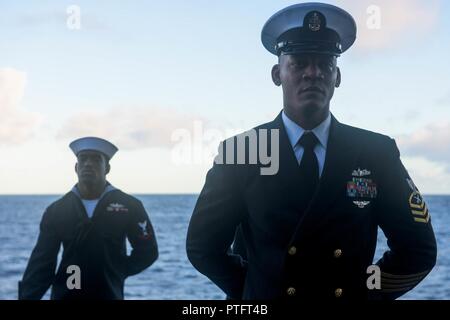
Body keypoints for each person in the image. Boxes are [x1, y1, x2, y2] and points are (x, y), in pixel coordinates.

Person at [186, 3, 437, 300]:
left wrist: (365, 293)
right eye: (300, 62)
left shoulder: (375, 152)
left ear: (337, 77)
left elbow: (417, 249)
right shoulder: (243, 151)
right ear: (277, 74)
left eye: (324, 64)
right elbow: (203, 247)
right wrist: (255, 293)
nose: (313, 73)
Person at [19, 137, 158, 299]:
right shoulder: (57, 210)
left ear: (107, 168)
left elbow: (148, 252)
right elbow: (42, 263)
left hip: (108, 295)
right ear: (76, 167)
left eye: (96, 159)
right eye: (83, 159)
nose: (88, 164)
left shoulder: (129, 206)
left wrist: (117, 270)